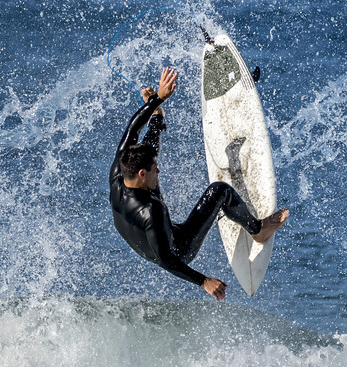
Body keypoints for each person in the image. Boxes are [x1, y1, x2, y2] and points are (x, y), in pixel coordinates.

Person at [110, 67, 288, 301]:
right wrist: (204, 281)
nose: (160, 170)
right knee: (220, 191)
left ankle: (158, 116)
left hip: (146, 234)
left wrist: (156, 100)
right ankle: (257, 229)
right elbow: (166, 259)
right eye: (155, 170)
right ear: (142, 174)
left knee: (147, 148)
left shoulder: (120, 169)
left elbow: (133, 127)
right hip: (177, 248)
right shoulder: (150, 211)